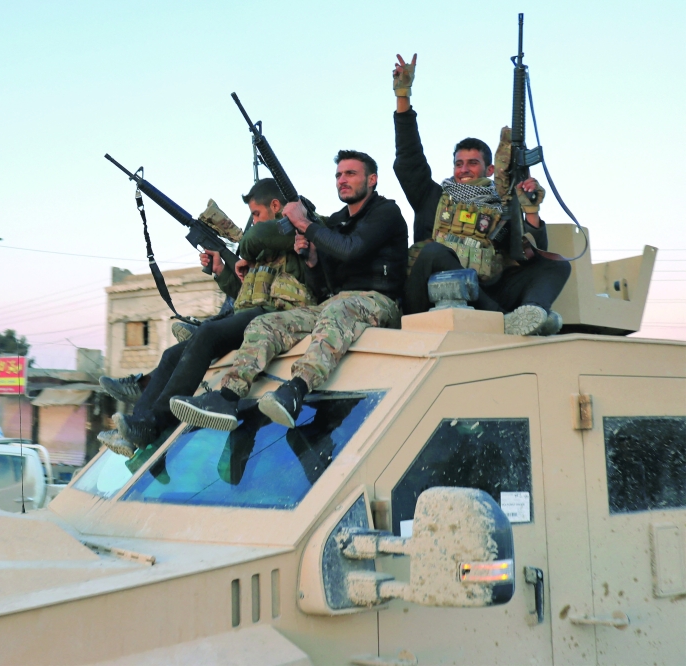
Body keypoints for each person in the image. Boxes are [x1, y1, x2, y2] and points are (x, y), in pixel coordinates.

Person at [172, 150, 406, 430]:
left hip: (379, 301)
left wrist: (305, 225)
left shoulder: (385, 212)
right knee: (265, 323)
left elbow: (351, 250)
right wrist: (311, 260)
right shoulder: (336, 221)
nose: (342, 180)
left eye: (351, 174)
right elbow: (323, 283)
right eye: (339, 175)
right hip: (334, 303)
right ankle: (227, 396)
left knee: (337, 309)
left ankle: (296, 390)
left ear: (372, 179)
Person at [97, 178, 317, 457]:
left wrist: (245, 249)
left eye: (256, 214)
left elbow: (265, 279)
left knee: (207, 334)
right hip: (253, 315)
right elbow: (244, 295)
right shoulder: (262, 252)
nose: (253, 222)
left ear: (276, 206)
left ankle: (154, 423)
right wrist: (222, 271)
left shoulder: (297, 230)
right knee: (172, 355)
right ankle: (137, 428)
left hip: (278, 318)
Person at [391, 53, 570, 334]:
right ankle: (504, 319)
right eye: (458, 163)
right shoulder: (433, 197)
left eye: (472, 163)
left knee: (557, 266)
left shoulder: (501, 204)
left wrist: (531, 210)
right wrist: (403, 96)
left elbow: (529, 252)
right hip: (427, 298)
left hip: (485, 294)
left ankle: (533, 313)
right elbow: (409, 158)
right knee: (435, 251)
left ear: (488, 169)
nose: (464, 169)